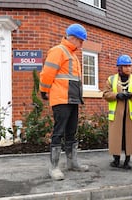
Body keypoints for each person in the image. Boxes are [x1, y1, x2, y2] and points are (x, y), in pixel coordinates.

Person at [40, 23, 89, 181]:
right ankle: (54, 167)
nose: (82, 45)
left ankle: (72, 163)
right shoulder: (58, 51)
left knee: (72, 132)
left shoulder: (72, 54)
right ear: (73, 38)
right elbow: (47, 73)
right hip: (61, 98)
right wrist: (44, 90)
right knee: (58, 132)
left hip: (73, 99)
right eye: (81, 41)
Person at [103, 55, 132, 170]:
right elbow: (105, 94)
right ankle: (116, 160)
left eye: (129, 66)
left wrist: (131, 95)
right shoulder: (111, 79)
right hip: (117, 115)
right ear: (119, 67)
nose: (128, 68)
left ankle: (127, 161)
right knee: (117, 138)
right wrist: (116, 95)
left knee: (129, 138)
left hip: (130, 115)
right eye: (125, 66)